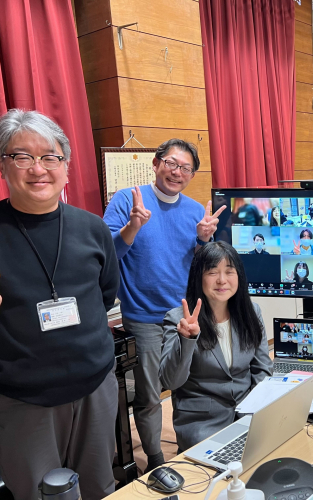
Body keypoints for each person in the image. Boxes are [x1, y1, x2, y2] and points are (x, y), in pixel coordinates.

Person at [0, 109, 120, 499]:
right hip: (23, 399)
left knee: (100, 486)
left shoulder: (92, 228)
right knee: (35, 493)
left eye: (49, 157)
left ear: (66, 167)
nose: (38, 169)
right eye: (22, 156)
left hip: (95, 387)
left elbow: (105, 294)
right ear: (3, 166)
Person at [103, 139, 225, 471]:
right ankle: (155, 460)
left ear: (192, 175)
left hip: (183, 313)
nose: (177, 172)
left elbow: (203, 265)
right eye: (171, 163)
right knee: (149, 392)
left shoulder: (194, 210)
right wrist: (133, 225)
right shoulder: (128, 199)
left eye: (185, 168)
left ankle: (190, 441)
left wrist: (203, 240)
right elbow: (108, 255)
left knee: (187, 380)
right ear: (156, 163)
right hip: (143, 313)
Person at [159, 241, 273, 451]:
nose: (222, 280)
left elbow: (262, 369)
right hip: (202, 422)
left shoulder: (251, 312)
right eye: (212, 272)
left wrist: (260, 411)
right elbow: (171, 381)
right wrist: (186, 339)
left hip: (248, 412)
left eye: (229, 271)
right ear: (198, 277)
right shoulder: (178, 319)